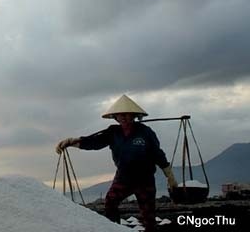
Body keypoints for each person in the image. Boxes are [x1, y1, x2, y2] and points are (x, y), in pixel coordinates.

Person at [55, 94, 178, 232]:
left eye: (127, 114)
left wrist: (169, 175)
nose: (124, 117)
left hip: (145, 179)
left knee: (148, 215)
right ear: (116, 117)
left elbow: (158, 154)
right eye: (121, 115)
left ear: (134, 115)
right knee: (110, 202)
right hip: (123, 177)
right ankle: (114, 229)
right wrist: (72, 142)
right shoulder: (113, 132)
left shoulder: (145, 132)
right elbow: (94, 142)